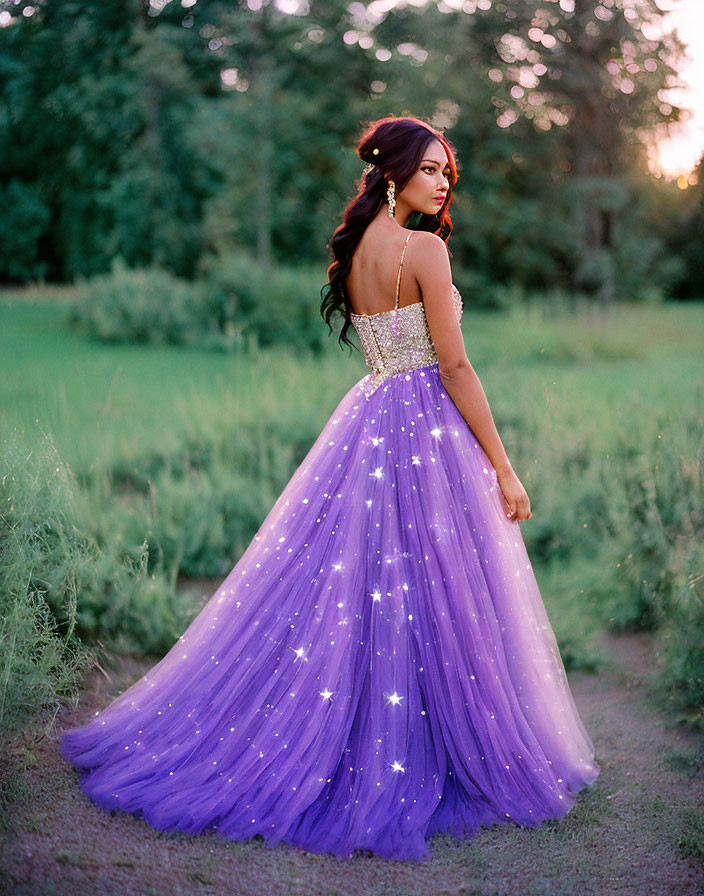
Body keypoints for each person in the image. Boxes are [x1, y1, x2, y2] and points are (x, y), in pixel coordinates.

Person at [60, 114, 599, 863]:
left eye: (449, 174)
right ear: (395, 173)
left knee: (367, 582)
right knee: (427, 583)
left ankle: (382, 731)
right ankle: (421, 747)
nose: (444, 185)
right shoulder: (425, 251)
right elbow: (455, 367)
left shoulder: (359, 251)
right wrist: (504, 465)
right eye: (433, 170)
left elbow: (389, 345)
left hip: (370, 418)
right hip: (424, 428)